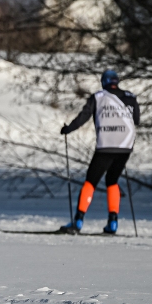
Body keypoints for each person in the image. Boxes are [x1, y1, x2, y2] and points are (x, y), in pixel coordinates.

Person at [59, 69, 140, 234]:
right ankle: (113, 223)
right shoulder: (130, 97)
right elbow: (136, 119)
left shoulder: (98, 97)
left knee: (91, 181)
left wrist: (68, 129)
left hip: (106, 146)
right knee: (112, 181)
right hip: (125, 146)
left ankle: (78, 221)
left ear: (103, 82)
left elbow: (83, 117)